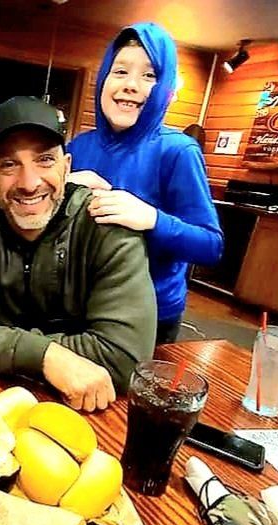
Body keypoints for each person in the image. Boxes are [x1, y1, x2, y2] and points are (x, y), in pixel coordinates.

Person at [0, 96, 157, 412]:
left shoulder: (107, 226)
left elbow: (123, 358)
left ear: (67, 167)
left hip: (85, 409)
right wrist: (44, 356)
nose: (29, 183)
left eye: (44, 160)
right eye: (9, 164)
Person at [66, 23, 223, 344]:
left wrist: (151, 218)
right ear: (103, 81)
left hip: (148, 314)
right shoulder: (79, 147)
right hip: (78, 304)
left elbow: (211, 245)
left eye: (149, 76)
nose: (131, 85)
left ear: (165, 87)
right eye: (120, 71)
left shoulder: (179, 150)